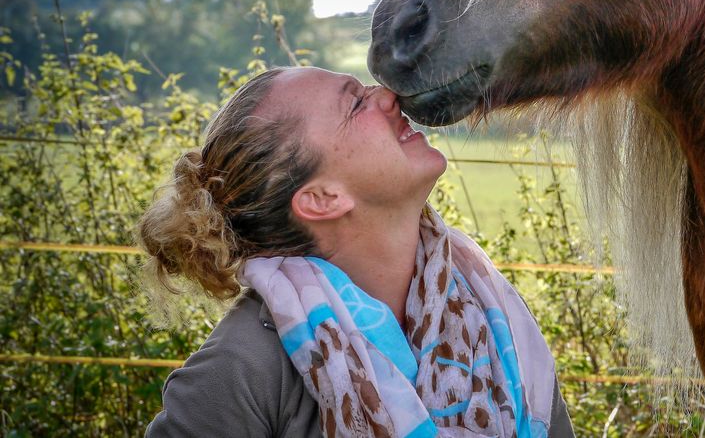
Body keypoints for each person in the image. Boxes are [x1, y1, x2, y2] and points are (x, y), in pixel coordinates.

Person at [139, 66, 574, 438]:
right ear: (322, 198)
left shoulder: (492, 314)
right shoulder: (241, 371)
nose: (388, 96)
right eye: (355, 104)